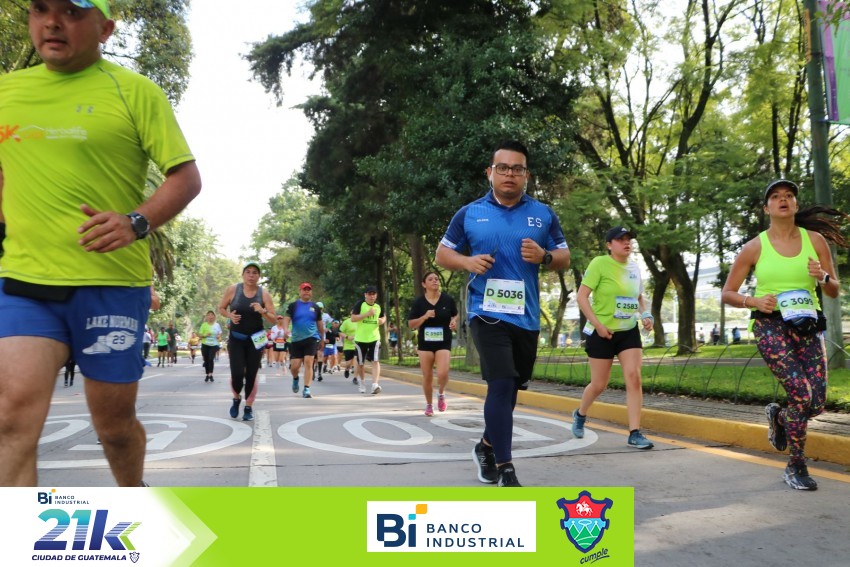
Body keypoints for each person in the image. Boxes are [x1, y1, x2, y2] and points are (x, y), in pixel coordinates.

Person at [0, 0, 201, 486]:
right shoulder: (7, 91)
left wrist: (136, 222)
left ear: (105, 28)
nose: (52, 22)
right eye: (41, 8)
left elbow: (186, 178)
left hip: (110, 285)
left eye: (72, 12)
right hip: (26, 280)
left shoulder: (135, 92)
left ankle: (133, 497)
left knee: (113, 428)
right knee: (10, 420)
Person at [435, 140, 570, 487]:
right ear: (490, 173)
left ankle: (485, 446)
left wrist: (544, 256)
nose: (510, 174)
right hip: (486, 311)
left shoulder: (543, 214)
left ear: (526, 175)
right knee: (501, 381)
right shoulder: (469, 213)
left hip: (526, 317)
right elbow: (442, 254)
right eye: (503, 168)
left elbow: (564, 256)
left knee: (510, 391)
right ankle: (505, 468)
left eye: (517, 169)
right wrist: (467, 261)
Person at [721, 179, 847, 491]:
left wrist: (823, 277)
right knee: (802, 395)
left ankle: (779, 418)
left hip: (806, 325)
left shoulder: (815, 240)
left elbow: (834, 290)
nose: (783, 200)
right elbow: (728, 293)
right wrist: (753, 301)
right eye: (776, 196)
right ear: (767, 208)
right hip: (770, 326)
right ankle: (796, 465)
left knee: (816, 404)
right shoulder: (755, 247)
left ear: (795, 204)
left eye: (789, 195)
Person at [572, 226, 655, 450]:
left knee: (634, 377)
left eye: (629, 239)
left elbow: (638, 297)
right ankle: (580, 414)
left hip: (628, 331)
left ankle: (635, 433)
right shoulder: (599, 263)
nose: (627, 243)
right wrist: (599, 326)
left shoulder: (634, 267)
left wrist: (645, 315)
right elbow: (582, 297)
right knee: (599, 384)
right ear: (609, 245)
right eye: (620, 239)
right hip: (602, 332)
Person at [218, 261, 277, 421]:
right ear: (243, 274)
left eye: (255, 273)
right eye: (248, 272)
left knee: (251, 373)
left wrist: (262, 311)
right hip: (237, 337)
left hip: (257, 338)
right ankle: (236, 398)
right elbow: (221, 308)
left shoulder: (264, 294)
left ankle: (248, 406)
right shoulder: (233, 289)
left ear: (259, 276)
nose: (251, 275)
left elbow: (273, 320)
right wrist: (229, 315)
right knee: (237, 373)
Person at [407, 271, 458, 416]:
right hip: (425, 343)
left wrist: (454, 321)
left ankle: (441, 393)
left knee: (443, 373)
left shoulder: (447, 299)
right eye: (430, 279)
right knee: (428, 376)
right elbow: (411, 324)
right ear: (424, 284)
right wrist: (424, 316)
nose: (435, 281)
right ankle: (429, 405)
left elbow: (455, 314)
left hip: (443, 341)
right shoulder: (419, 302)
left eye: (436, 279)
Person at [282, 282, 324, 399]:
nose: (306, 291)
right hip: (296, 339)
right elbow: (286, 319)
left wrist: (322, 339)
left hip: (312, 338)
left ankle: (306, 389)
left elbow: (320, 325)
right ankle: (295, 378)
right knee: (294, 367)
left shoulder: (315, 307)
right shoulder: (293, 306)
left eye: (308, 290)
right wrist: (285, 329)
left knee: (309, 362)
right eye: (304, 289)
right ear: (299, 292)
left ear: (311, 292)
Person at [351, 285, 386, 394]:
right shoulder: (360, 304)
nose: (372, 296)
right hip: (361, 339)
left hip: (374, 338)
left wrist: (382, 320)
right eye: (369, 294)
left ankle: (375, 385)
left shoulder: (378, 306)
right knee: (361, 363)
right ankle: (362, 382)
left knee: (375, 360)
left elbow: (383, 316)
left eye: (373, 294)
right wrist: (367, 314)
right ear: (365, 295)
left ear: (376, 295)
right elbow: (353, 318)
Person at [199, 310, 222, 382]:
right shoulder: (204, 325)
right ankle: (207, 374)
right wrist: (205, 335)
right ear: (207, 317)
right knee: (206, 360)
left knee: (211, 359)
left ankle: (210, 374)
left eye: (212, 315)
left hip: (214, 345)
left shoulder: (217, 325)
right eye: (209, 315)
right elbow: (200, 336)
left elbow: (219, 333)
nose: (210, 316)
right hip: (205, 344)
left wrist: (218, 336)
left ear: (214, 317)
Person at [339, 315, 359, 383]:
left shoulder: (361, 321)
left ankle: (355, 378)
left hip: (358, 345)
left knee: (357, 361)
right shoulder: (347, 322)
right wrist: (347, 337)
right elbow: (340, 332)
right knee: (348, 364)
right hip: (348, 345)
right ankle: (347, 369)